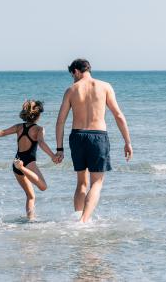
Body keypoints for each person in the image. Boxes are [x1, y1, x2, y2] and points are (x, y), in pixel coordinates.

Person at [53, 58, 132, 223]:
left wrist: (59, 149)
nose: (72, 78)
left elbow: (60, 121)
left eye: (72, 75)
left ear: (76, 71)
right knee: (97, 183)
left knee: (81, 182)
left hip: (77, 136)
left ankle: (77, 218)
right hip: (98, 136)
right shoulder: (105, 87)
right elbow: (118, 115)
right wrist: (127, 141)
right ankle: (83, 221)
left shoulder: (72, 90)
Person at [0, 100, 56, 219]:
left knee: (30, 196)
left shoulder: (19, 127)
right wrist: (53, 156)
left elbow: (1, 133)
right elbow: (41, 143)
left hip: (16, 162)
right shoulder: (39, 129)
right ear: (38, 115)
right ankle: (23, 168)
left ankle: (30, 220)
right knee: (43, 187)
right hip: (28, 163)